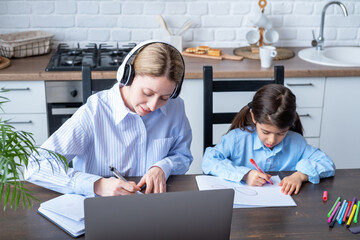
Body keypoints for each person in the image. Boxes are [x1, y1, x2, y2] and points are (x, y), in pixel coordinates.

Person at [25, 40, 193, 197]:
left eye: (164, 97)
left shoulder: (175, 107)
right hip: (100, 209)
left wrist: (163, 167)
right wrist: (97, 185)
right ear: (127, 76)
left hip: (153, 208)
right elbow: (35, 166)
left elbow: (182, 155)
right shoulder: (94, 112)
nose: (153, 105)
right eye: (147, 93)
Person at [202, 84, 335, 195]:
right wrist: (244, 174)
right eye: (265, 132)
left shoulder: (297, 142)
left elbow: (327, 164)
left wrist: (300, 175)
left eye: (281, 133)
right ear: (254, 117)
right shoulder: (237, 139)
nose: (272, 140)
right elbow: (209, 160)